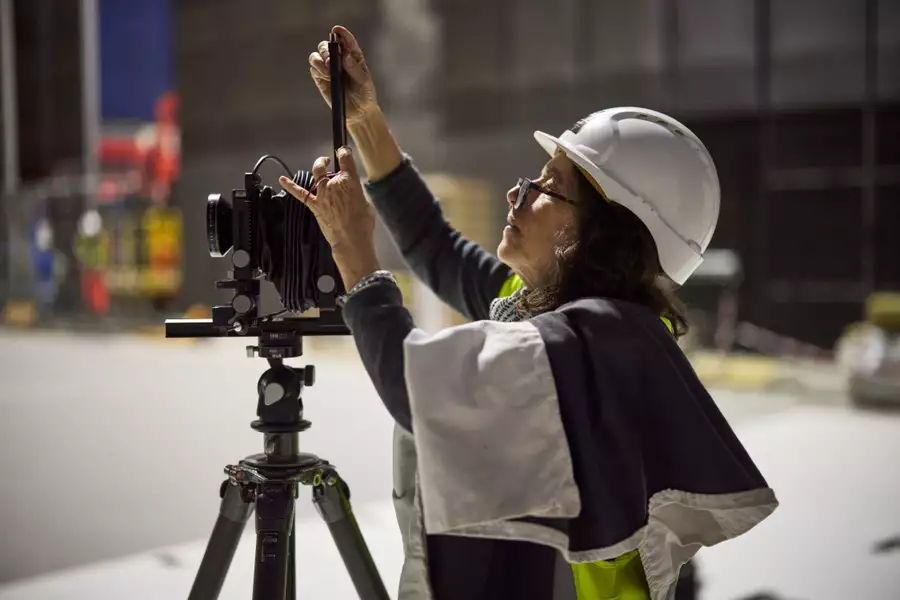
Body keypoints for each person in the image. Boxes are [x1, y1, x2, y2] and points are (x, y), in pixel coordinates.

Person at [279, 25, 778, 600]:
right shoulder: (559, 312)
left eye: (550, 186)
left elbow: (414, 389)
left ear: (602, 233)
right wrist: (365, 119)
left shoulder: (593, 343)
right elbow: (435, 247)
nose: (519, 193)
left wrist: (352, 248)